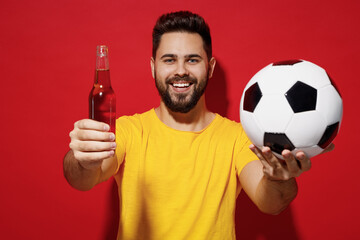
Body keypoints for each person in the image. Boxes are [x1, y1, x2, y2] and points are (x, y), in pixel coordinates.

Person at [63, 11, 334, 240]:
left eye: (192, 60)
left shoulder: (238, 137)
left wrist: (278, 177)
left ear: (210, 67)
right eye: (169, 60)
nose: (181, 70)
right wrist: (83, 159)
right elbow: (81, 180)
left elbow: (271, 203)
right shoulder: (128, 131)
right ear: (153, 67)